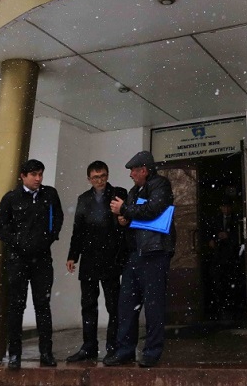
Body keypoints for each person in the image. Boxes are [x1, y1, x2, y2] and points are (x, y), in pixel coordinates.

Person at [103, 150, 174, 368]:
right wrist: (123, 219)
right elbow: (133, 214)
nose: (131, 175)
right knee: (126, 305)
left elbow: (153, 209)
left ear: (144, 170)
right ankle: (125, 350)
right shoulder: (134, 191)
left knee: (153, 306)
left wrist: (125, 208)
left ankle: (152, 352)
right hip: (135, 254)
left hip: (154, 253)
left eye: (133, 171)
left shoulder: (161, 185)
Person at [0, 159, 64, 370]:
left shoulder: (49, 194)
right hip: (18, 261)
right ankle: (15, 354)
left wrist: (50, 237)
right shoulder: (11, 198)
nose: (38, 178)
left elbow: (58, 217)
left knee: (43, 305)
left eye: (40, 174)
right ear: (23, 176)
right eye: (33, 174)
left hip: (42, 259)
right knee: (17, 306)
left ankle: (46, 352)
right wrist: (17, 241)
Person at [64, 160, 129, 362]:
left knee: (114, 305)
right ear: (89, 179)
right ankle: (89, 346)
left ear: (107, 175)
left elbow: (127, 220)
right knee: (88, 305)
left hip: (111, 257)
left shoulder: (118, 193)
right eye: (95, 177)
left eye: (102, 176)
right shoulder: (84, 199)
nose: (99, 180)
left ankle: (113, 346)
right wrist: (73, 255)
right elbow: (78, 230)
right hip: (89, 258)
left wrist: (123, 220)